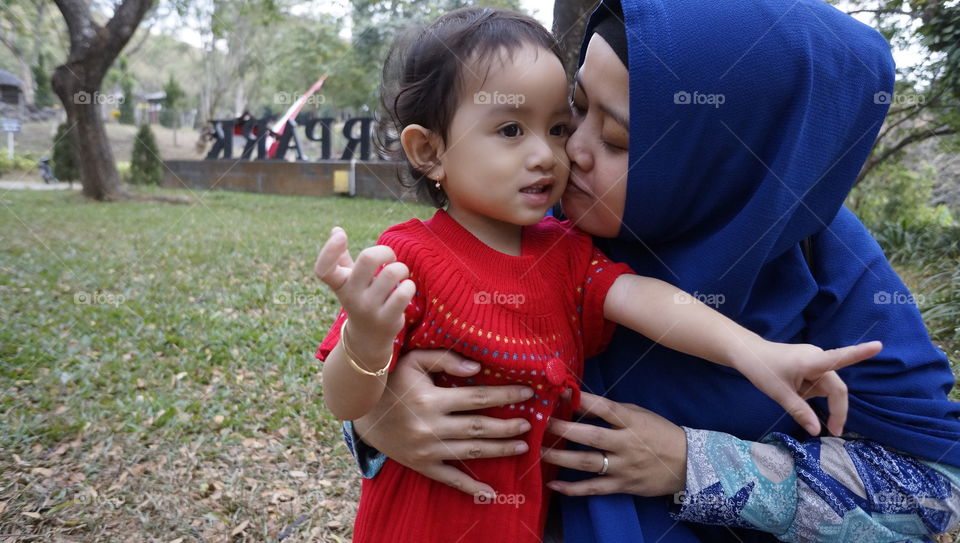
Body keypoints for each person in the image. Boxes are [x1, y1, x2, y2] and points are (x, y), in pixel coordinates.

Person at [335, 0, 960, 541]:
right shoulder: (531, 212)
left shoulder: (826, 260)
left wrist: (695, 465)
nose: (567, 153)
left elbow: (937, 487)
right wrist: (377, 418)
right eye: (576, 111)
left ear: (720, 155)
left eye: (616, 139)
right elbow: (397, 352)